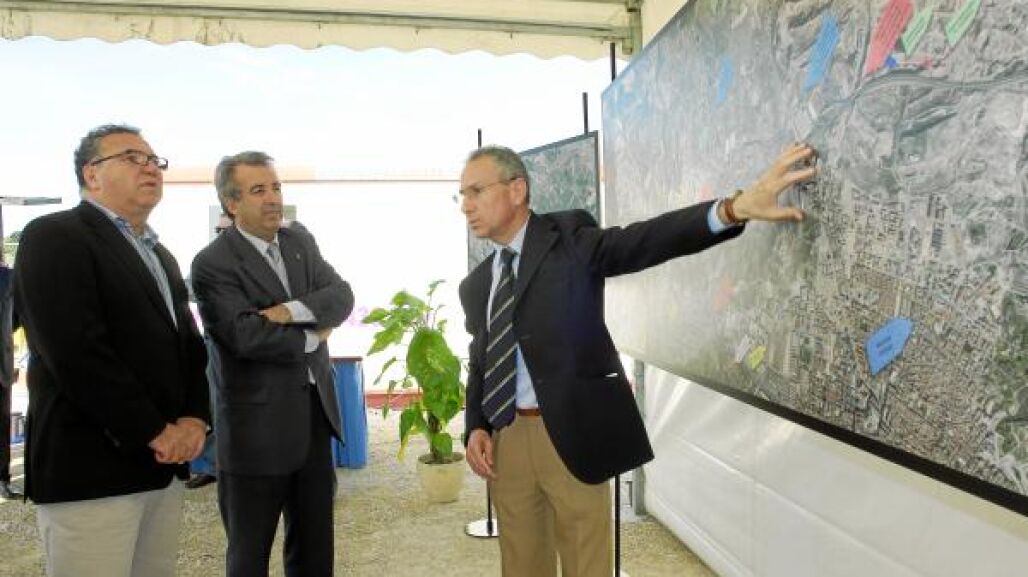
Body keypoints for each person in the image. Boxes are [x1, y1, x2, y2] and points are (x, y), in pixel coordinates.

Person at [459, 143, 817, 577]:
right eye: (462, 195)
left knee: (586, 563)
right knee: (521, 564)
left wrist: (731, 209)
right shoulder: (477, 284)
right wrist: (477, 425)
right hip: (507, 439)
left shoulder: (568, 240)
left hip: (570, 433)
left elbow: (644, 240)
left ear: (516, 190)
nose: (466, 205)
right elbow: (481, 361)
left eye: (476, 191)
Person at [12, 124, 210, 577]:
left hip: (162, 467)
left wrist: (194, 419)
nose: (151, 168)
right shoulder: (56, 235)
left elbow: (189, 347)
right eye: (132, 158)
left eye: (155, 160)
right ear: (92, 174)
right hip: (92, 468)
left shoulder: (160, 255)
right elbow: (75, 353)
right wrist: (154, 430)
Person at [191, 151, 353, 577]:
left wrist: (288, 311)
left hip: (313, 420)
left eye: (276, 187)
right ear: (232, 203)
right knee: (249, 556)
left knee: (315, 551)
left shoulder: (300, 242)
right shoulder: (212, 263)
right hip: (254, 435)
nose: (273, 199)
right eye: (259, 190)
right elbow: (244, 336)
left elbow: (341, 297)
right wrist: (312, 335)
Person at [0, 264, 19, 500]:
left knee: (2, 424)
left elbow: (18, 315)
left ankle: (2, 479)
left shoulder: (8, 277)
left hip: (1, 364)